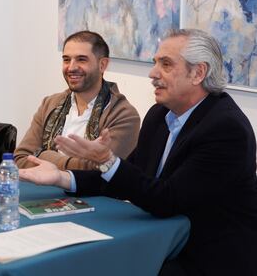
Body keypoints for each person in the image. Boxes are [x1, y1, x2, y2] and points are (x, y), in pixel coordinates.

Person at [19, 29, 257, 276]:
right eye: (155, 63)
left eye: (166, 64)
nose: (153, 74)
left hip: (209, 258)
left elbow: (168, 200)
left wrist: (105, 159)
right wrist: (63, 177)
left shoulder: (226, 128)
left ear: (198, 73)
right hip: (165, 242)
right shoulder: (159, 115)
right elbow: (128, 176)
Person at [14, 30, 140, 170]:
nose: (72, 67)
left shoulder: (124, 115)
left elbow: (100, 170)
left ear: (102, 65)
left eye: (81, 59)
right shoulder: (49, 104)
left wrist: (44, 155)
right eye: (66, 59)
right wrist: (73, 163)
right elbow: (19, 159)